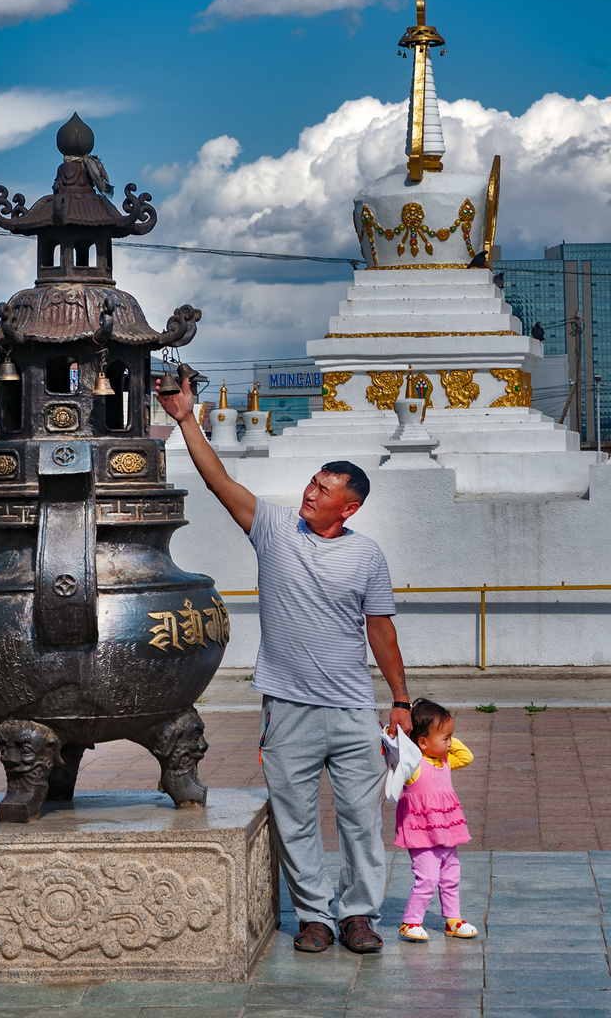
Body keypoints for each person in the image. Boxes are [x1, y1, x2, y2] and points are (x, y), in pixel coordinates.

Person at [156, 376, 412, 954]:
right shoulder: (273, 530)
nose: (311, 493)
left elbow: (381, 629)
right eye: (312, 482)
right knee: (294, 820)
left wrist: (399, 698)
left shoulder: (367, 554)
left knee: (360, 823)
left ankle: (359, 916)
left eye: (324, 490)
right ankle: (316, 917)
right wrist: (186, 419)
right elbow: (221, 483)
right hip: (287, 707)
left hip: (351, 709)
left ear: (350, 506)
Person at [395, 697, 478, 942]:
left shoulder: (444, 761)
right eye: (446, 738)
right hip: (422, 836)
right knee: (428, 878)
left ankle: (453, 919)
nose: (451, 743)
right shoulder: (414, 765)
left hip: (446, 834)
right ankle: (410, 922)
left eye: (451, 737)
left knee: (451, 876)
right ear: (422, 743)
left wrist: (446, 740)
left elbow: (467, 757)